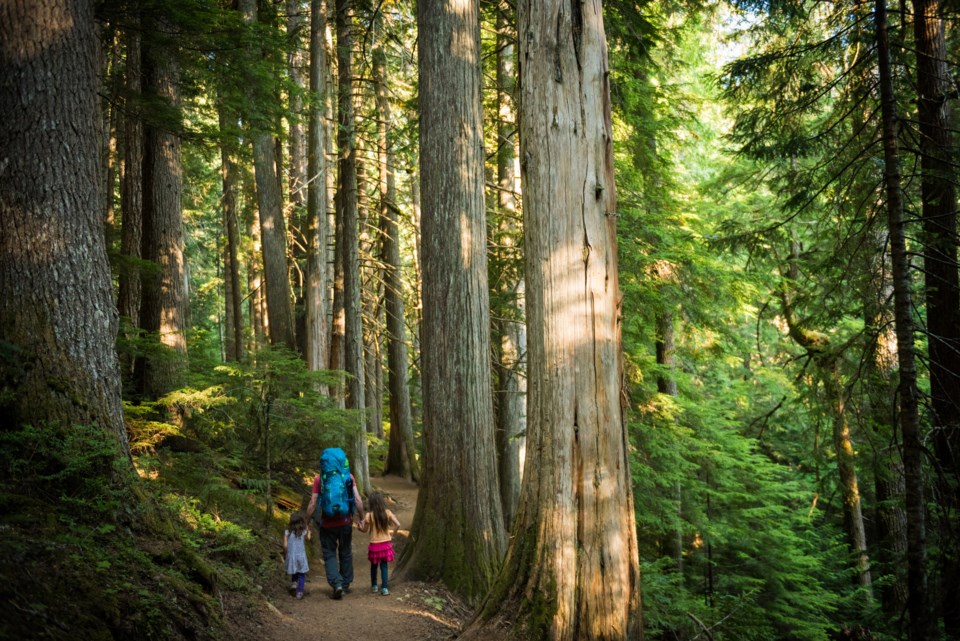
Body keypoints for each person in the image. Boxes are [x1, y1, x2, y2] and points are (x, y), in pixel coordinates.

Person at [306, 464, 365, 599]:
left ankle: (337, 584)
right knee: (345, 551)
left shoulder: (319, 479)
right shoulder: (348, 477)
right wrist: (362, 518)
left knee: (329, 554)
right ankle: (345, 584)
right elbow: (357, 500)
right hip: (345, 522)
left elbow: (313, 502)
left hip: (327, 524)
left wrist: (307, 522)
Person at [356, 491, 402, 596]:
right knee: (384, 566)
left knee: (374, 566)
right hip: (385, 544)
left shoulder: (369, 516)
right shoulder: (388, 513)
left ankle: (374, 586)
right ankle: (385, 588)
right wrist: (391, 536)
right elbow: (398, 524)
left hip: (374, 545)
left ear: (371, 503)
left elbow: (364, 530)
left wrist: (359, 528)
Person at [283, 510, 311, 599]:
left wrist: (285, 553)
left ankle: (294, 584)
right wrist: (309, 532)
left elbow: (285, 545)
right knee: (301, 573)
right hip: (301, 556)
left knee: (294, 570)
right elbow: (308, 539)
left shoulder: (287, 532)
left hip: (291, 556)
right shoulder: (303, 532)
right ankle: (300, 592)